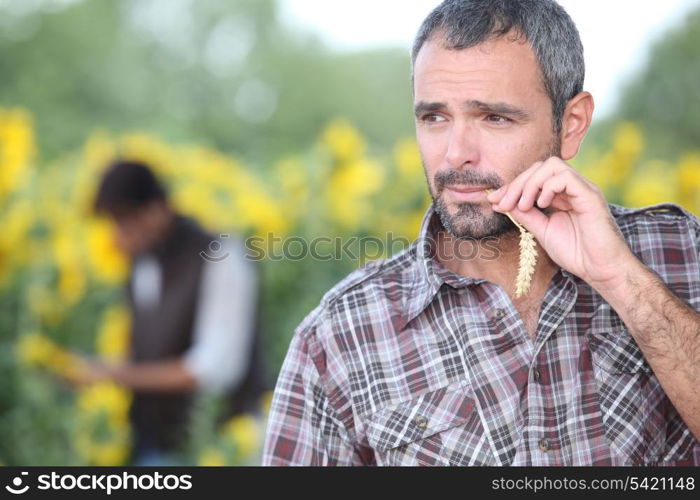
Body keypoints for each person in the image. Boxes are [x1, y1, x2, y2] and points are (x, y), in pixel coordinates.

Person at [263, 0, 700, 466]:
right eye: (434, 117)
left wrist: (621, 279)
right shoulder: (340, 334)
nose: (455, 155)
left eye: (495, 117)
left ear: (570, 126)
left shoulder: (679, 253)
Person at [82, 160, 267, 465]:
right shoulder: (140, 264)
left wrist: (111, 374)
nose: (114, 239)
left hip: (220, 449)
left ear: (156, 210)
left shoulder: (221, 255)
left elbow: (215, 368)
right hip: (152, 444)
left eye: (122, 222)